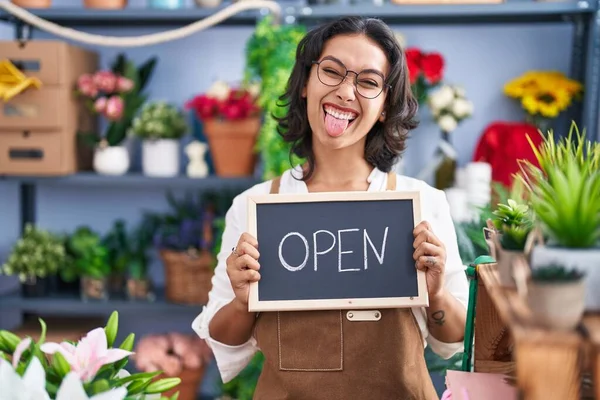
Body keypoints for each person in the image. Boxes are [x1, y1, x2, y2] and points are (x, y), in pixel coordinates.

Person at [192, 16, 469, 399]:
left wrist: (436, 294)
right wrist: (242, 301)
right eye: (332, 72)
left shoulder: (422, 204)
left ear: (385, 107)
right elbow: (222, 337)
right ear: (306, 82)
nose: (345, 91)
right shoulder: (255, 207)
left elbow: (453, 338)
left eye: (368, 82)